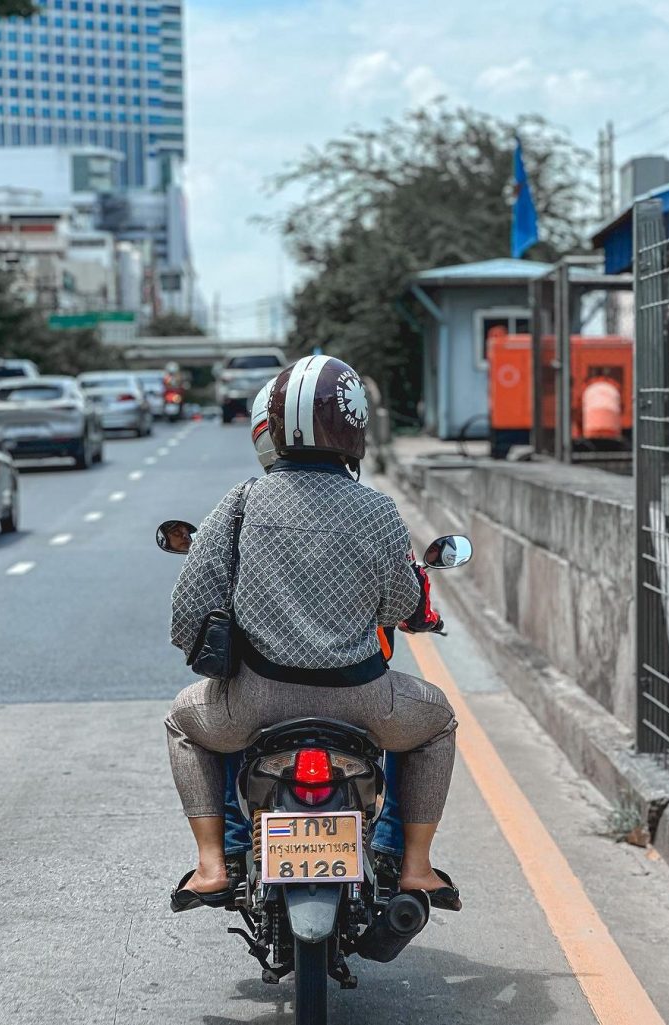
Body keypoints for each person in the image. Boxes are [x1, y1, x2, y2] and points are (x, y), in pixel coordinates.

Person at [165, 354, 460, 912]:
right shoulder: (377, 510)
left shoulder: (243, 501)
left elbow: (191, 606)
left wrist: (208, 656)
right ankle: (417, 866)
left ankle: (210, 865)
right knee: (438, 722)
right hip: (364, 702)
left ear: (273, 427)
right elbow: (399, 604)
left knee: (183, 722)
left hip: (252, 703)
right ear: (354, 429)